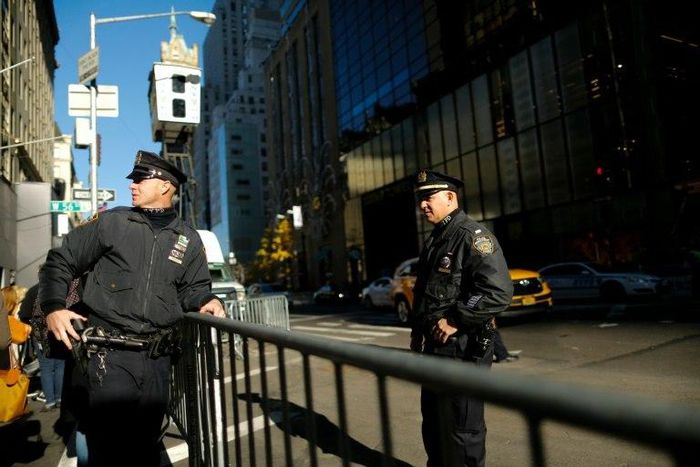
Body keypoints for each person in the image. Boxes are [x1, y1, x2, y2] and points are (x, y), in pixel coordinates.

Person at [38, 150, 226, 466]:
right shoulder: (112, 222)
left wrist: (209, 301)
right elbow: (60, 260)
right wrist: (54, 307)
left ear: (165, 186)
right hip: (108, 354)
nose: (132, 186)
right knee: (108, 446)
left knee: (144, 443)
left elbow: (195, 289)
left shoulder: (188, 239)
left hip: (158, 360)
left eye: (140, 179)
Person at [409, 169, 513, 467]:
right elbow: (426, 290)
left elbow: (496, 290)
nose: (423, 206)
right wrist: (419, 330)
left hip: (463, 346)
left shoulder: (471, 236)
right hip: (436, 347)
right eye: (420, 200)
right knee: (434, 423)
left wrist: (455, 319)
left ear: (450, 197)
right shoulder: (438, 239)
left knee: (462, 428)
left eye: (428, 198)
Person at [18, 283, 65, 411]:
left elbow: (24, 314)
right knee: (60, 365)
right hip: (59, 331)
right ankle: (60, 398)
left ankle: (50, 401)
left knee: (46, 367)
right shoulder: (60, 288)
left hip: (40, 333)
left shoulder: (34, 290)